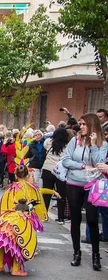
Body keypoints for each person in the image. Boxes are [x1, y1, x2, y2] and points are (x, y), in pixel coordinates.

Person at [63, 113, 108, 271]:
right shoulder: (74, 141)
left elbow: (99, 163)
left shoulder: (102, 144)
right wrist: (82, 166)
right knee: (74, 218)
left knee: (92, 219)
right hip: (73, 183)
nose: (80, 127)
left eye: (84, 124)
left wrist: (94, 145)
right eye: (80, 124)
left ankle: (96, 255)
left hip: (92, 185)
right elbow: (66, 160)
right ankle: (77, 252)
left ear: (92, 125)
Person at [0, 165, 45, 277]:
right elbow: (36, 205)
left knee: (2, 241)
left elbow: (4, 206)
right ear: (27, 175)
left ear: (15, 175)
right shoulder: (32, 189)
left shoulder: (10, 189)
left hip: (8, 218)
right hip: (23, 218)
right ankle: (16, 269)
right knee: (19, 241)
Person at [41, 127, 69, 224]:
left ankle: (44, 214)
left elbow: (44, 146)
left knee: (46, 193)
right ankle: (60, 217)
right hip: (60, 171)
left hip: (47, 169)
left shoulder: (49, 142)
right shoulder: (67, 146)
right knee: (61, 193)